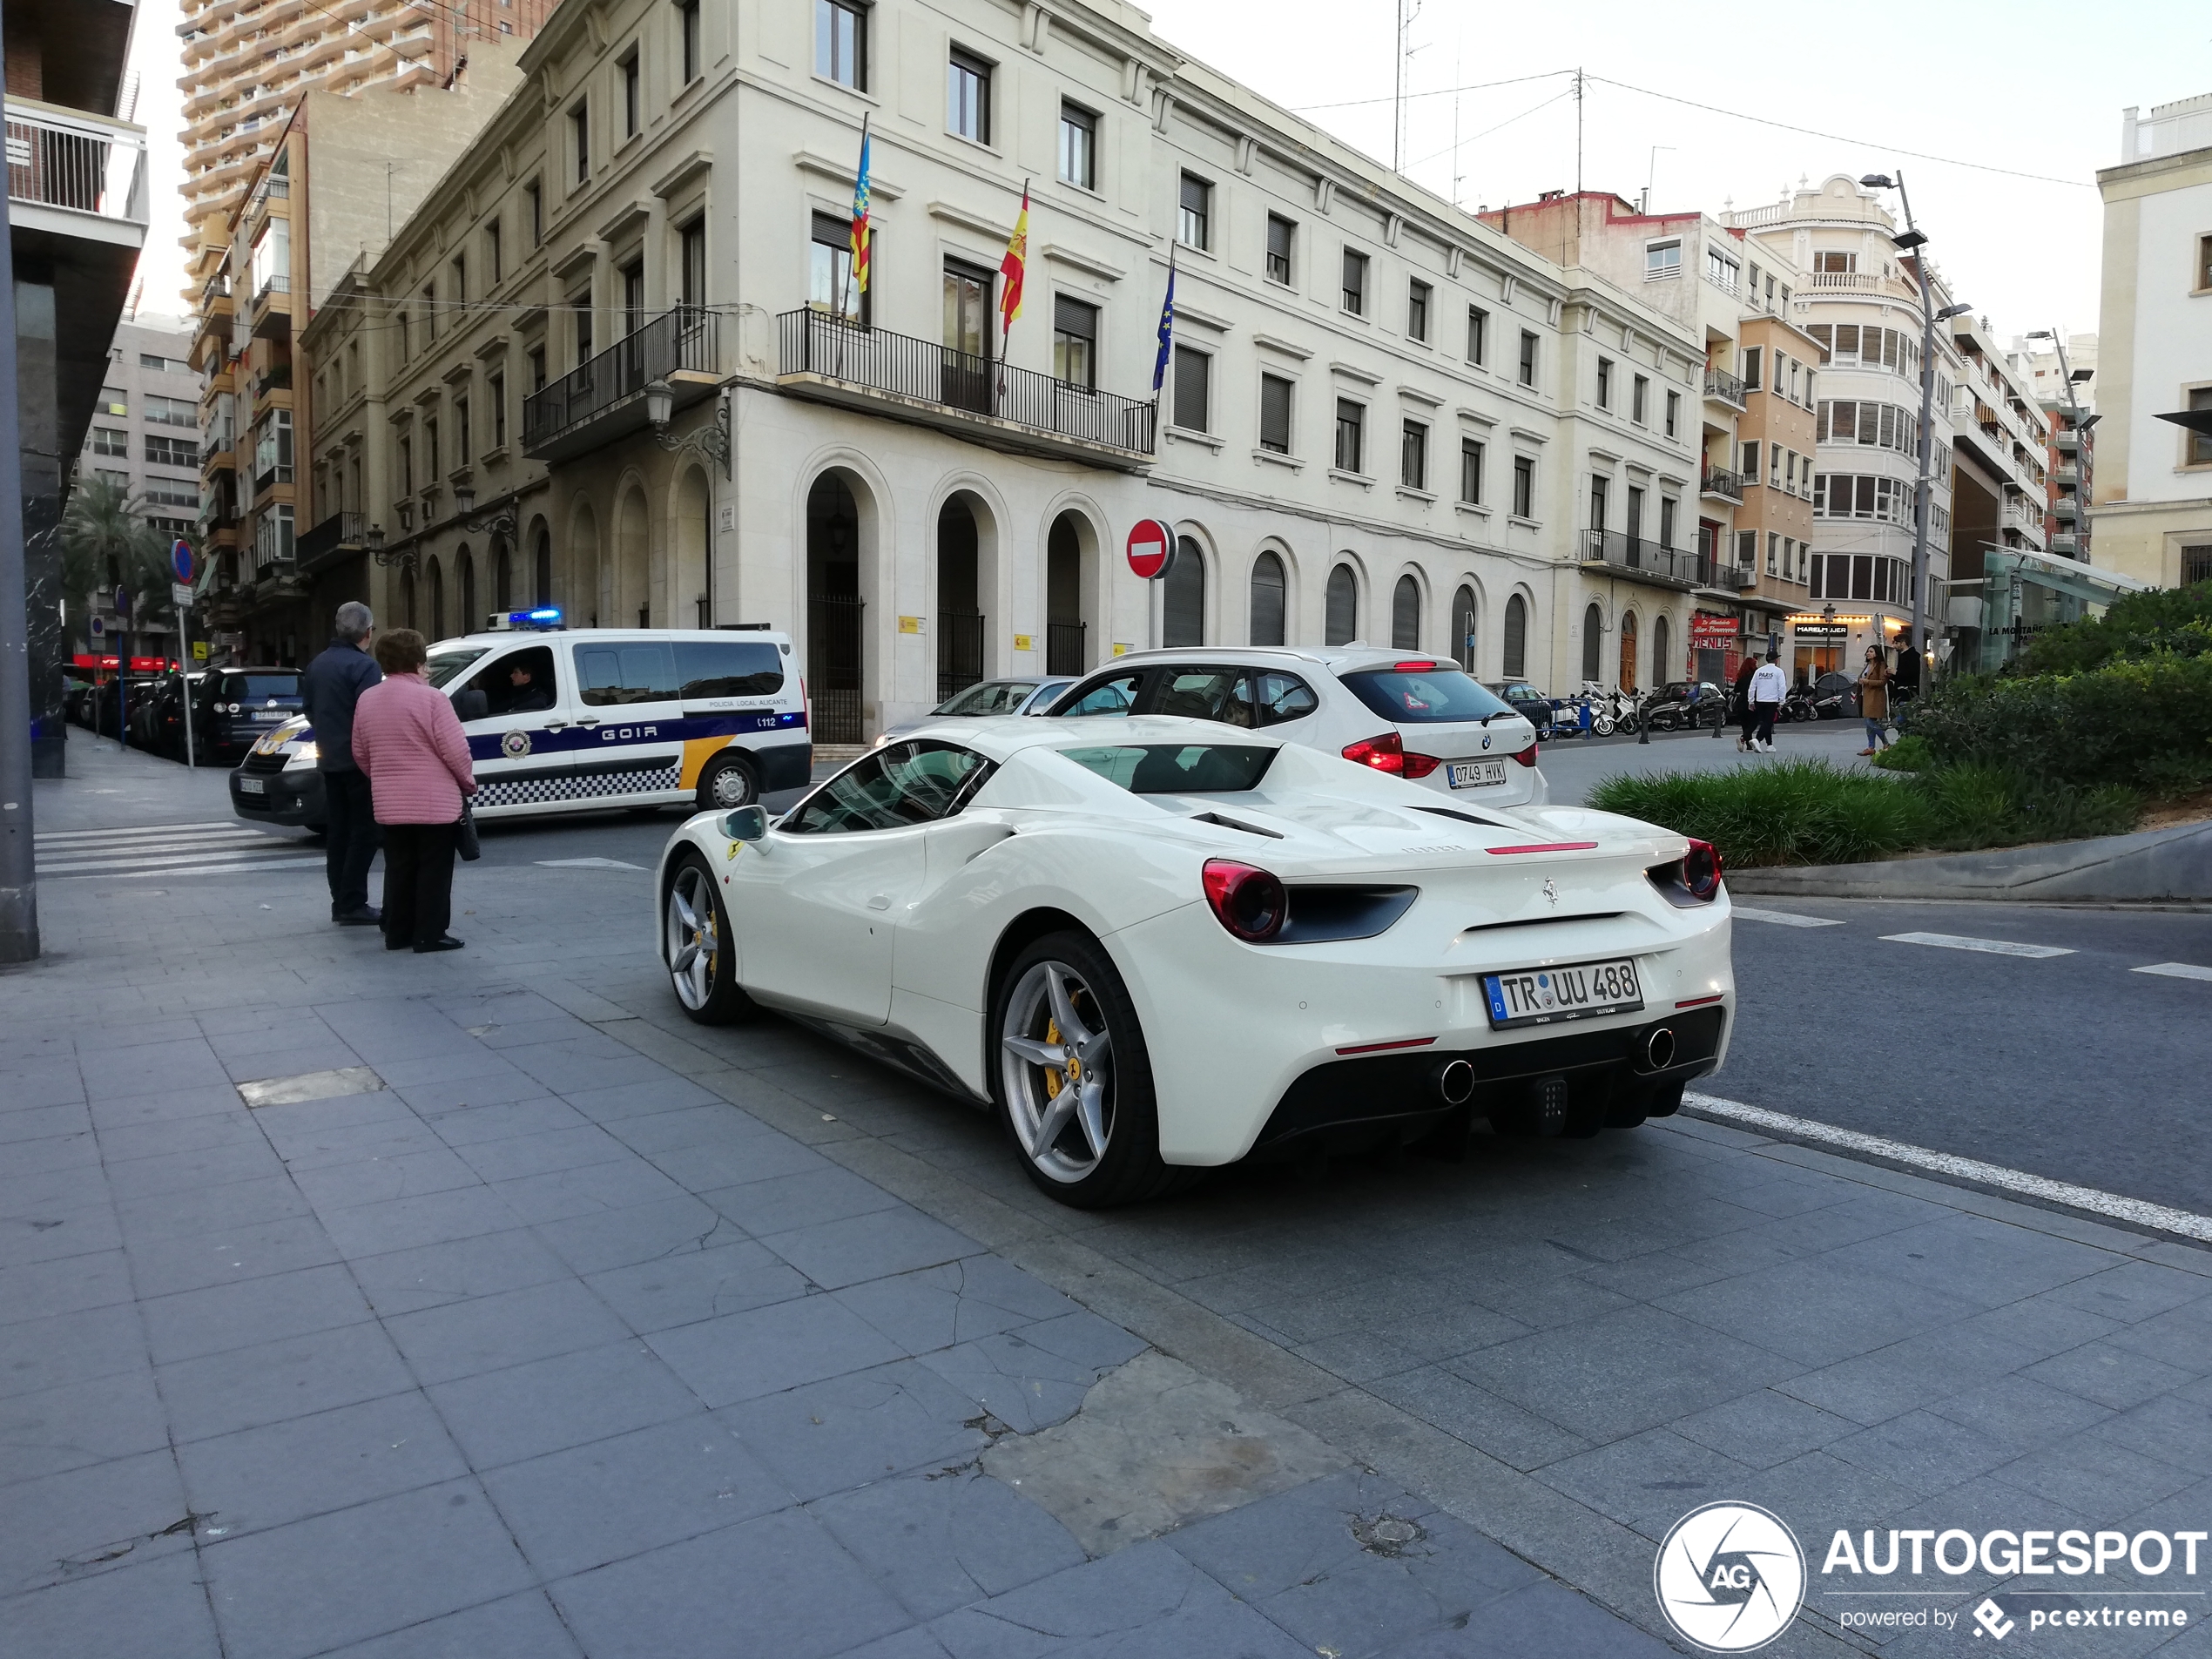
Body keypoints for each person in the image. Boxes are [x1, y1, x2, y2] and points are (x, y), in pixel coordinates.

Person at [350, 629, 475, 954]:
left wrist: (384, 778)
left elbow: (360, 752)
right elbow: (455, 751)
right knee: (434, 869)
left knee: (399, 867)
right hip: (435, 802)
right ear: (419, 661)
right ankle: (430, 934)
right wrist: (467, 782)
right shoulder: (433, 699)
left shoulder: (367, 699)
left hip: (390, 804)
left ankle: (398, 932)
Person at [300, 601, 384, 926]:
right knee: (364, 833)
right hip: (359, 763)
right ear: (367, 632)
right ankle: (352, 902)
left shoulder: (318, 664)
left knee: (338, 834)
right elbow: (371, 715)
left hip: (330, 760)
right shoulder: (365, 667)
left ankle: (341, 900)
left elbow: (309, 709)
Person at [1748, 651, 1788, 753]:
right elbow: (1782, 687)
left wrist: (1751, 701)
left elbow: (1752, 687)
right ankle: (1757, 739)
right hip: (1772, 701)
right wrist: (1781, 701)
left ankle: (1770, 745)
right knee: (1768, 722)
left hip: (1760, 700)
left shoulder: (1759, 671)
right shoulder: (1779, 672)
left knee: (1765, 722)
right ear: (1776, 660)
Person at [1857, 644, 1893, 755]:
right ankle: (1871, 747)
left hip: (1876, 697)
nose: (1868, 653)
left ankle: (1886, 743)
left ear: (1876, 653)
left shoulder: (1881, 665)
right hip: (1866, 696)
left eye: (1871, 651)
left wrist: (1867, 682)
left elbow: (1883, 682)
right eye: (1868, 651)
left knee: (1870, 721)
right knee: (1868, 723)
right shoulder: (1868, 665)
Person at [1731, 654, 1760, 752]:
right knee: (1754, 722)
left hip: (1741, 702)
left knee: (1745, 724)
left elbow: (1736, 689)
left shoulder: (1741, 676)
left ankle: (1748, 744)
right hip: (1752, 701)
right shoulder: (1755, 675)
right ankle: (1743, 738)